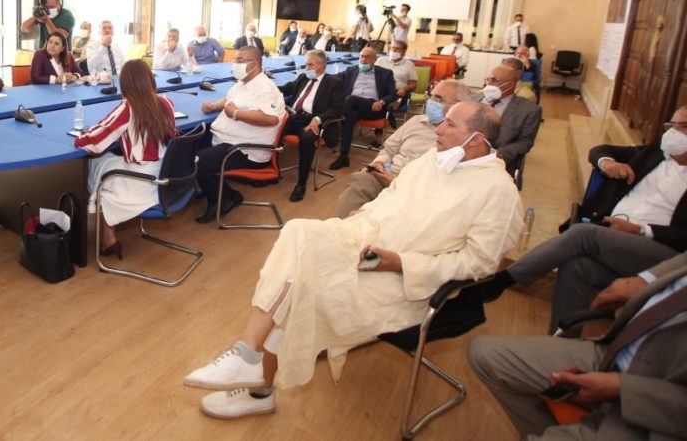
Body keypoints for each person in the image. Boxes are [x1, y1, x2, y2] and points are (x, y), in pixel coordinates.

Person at [182, 102, 523, 419]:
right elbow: (392, 196)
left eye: (449, 124)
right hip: (364, 242)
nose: (438, 128)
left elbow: (478, 264)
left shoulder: (498, 191)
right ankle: (247, 353)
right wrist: (362, 217)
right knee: (298, 231)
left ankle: (259, 388)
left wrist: (399, 263)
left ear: (476, 138)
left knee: (302, 287)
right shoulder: (435, 159)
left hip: (406, 280)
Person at [481, 107, 687, 333]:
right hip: (613, 235)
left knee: (583, 233)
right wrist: (607, 163)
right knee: (576, 266)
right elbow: (600, 150)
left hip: (662, 253)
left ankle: (501, 281)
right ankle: (563, 340)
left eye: (683, 127)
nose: (673, 133)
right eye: (671, 125)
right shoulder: (654, 153)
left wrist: (641, 230)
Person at [468, 253, 687, 440]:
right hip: (617, 352)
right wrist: (642, 284)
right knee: (485, 354)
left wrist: (621, 388)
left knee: (582, 237)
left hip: (656, 414)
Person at [74, 60, 177, 258]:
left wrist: (80, 137)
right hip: (165, 177)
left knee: (95, 164)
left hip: (140, 181)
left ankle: (107, 236)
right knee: (108, 162)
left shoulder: (128, 107)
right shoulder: (166, 103)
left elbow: (95, 142)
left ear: (125, 84)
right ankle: (108, 234)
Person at [334, 80, 471, 217]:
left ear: (458, 106)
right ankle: (341, 227)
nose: (431, 101)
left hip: (416, 189)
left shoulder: (462, 138)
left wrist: (398, 183)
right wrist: (378, 163)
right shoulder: (416, 121)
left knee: (381, 213)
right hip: (386, 174)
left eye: (439, 99)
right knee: (360, 179)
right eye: (432, 96)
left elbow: (444, 182)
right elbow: (389, 149)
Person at [194, 46, 285, 223]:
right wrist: (214, 106)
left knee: (199, 161)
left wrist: (236, 113)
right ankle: (208, 186)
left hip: (246, 149)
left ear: (255, 64)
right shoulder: (245, 82)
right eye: (235, 59)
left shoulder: (264, 88)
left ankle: (226, 198)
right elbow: (230, 99)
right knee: (193, 144)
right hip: (230, 138)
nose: (235, 63)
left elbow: (271, 119)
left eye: (240, 60)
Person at [278, 50, 345, 202]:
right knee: (272, 127)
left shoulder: (335, 83)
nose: (306, 68)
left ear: (321, 66)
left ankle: (301, 184)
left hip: (313, 120)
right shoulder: (303, 78)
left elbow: (336, 109)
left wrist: (317, 119)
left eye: (310, 65)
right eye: (306, 64)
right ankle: (270, 171)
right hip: (294, 117)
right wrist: (266, 86)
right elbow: (285, 88)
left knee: (307, 138)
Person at [329, 46, 397, 170]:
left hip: (375, 108)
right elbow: (333, 78)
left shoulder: (385, 73)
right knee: (349, 117)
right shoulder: (351, 70)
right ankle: (343, 156)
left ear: (374, 59)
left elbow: (392, 94)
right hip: (354, 108)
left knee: (351, 99)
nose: (363, 60)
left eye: (367, 57)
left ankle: (330, 122)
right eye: (361, 56)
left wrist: (382, 102)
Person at [481, 62, 543, 174]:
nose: (489, 84)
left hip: (496, 162)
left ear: (510, 85)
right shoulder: (474, 99)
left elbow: (525, 142)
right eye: (488, 79)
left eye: (495, 80)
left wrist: (497, 154)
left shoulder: (529, 110)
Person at [374, 39, 418, 138]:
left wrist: (405, 89)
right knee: (382, 101)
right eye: (392, 48)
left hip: (398, 93)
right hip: (380, 90)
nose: (393, 51)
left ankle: (379, 135)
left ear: (404, 51)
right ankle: (390, 115)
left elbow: (414, 84)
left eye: (397, 49)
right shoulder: (381, 60)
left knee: (383, 102)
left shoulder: (409, 64)